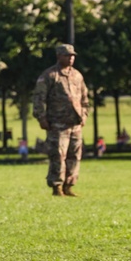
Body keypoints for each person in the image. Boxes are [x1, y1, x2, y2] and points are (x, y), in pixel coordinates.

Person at [32, 43, 90, 197]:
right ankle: (57, 186)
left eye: (73, 56)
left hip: (75, 124)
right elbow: (38, 98)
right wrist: (41, 118)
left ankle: (69, 185)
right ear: (59, 56)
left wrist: (84, 115)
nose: (71, 58)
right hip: (57, 124)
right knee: (58, 155)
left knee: (74, 156)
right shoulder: (50, 75)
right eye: (67, 55)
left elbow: (85, 98)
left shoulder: (77, 75)